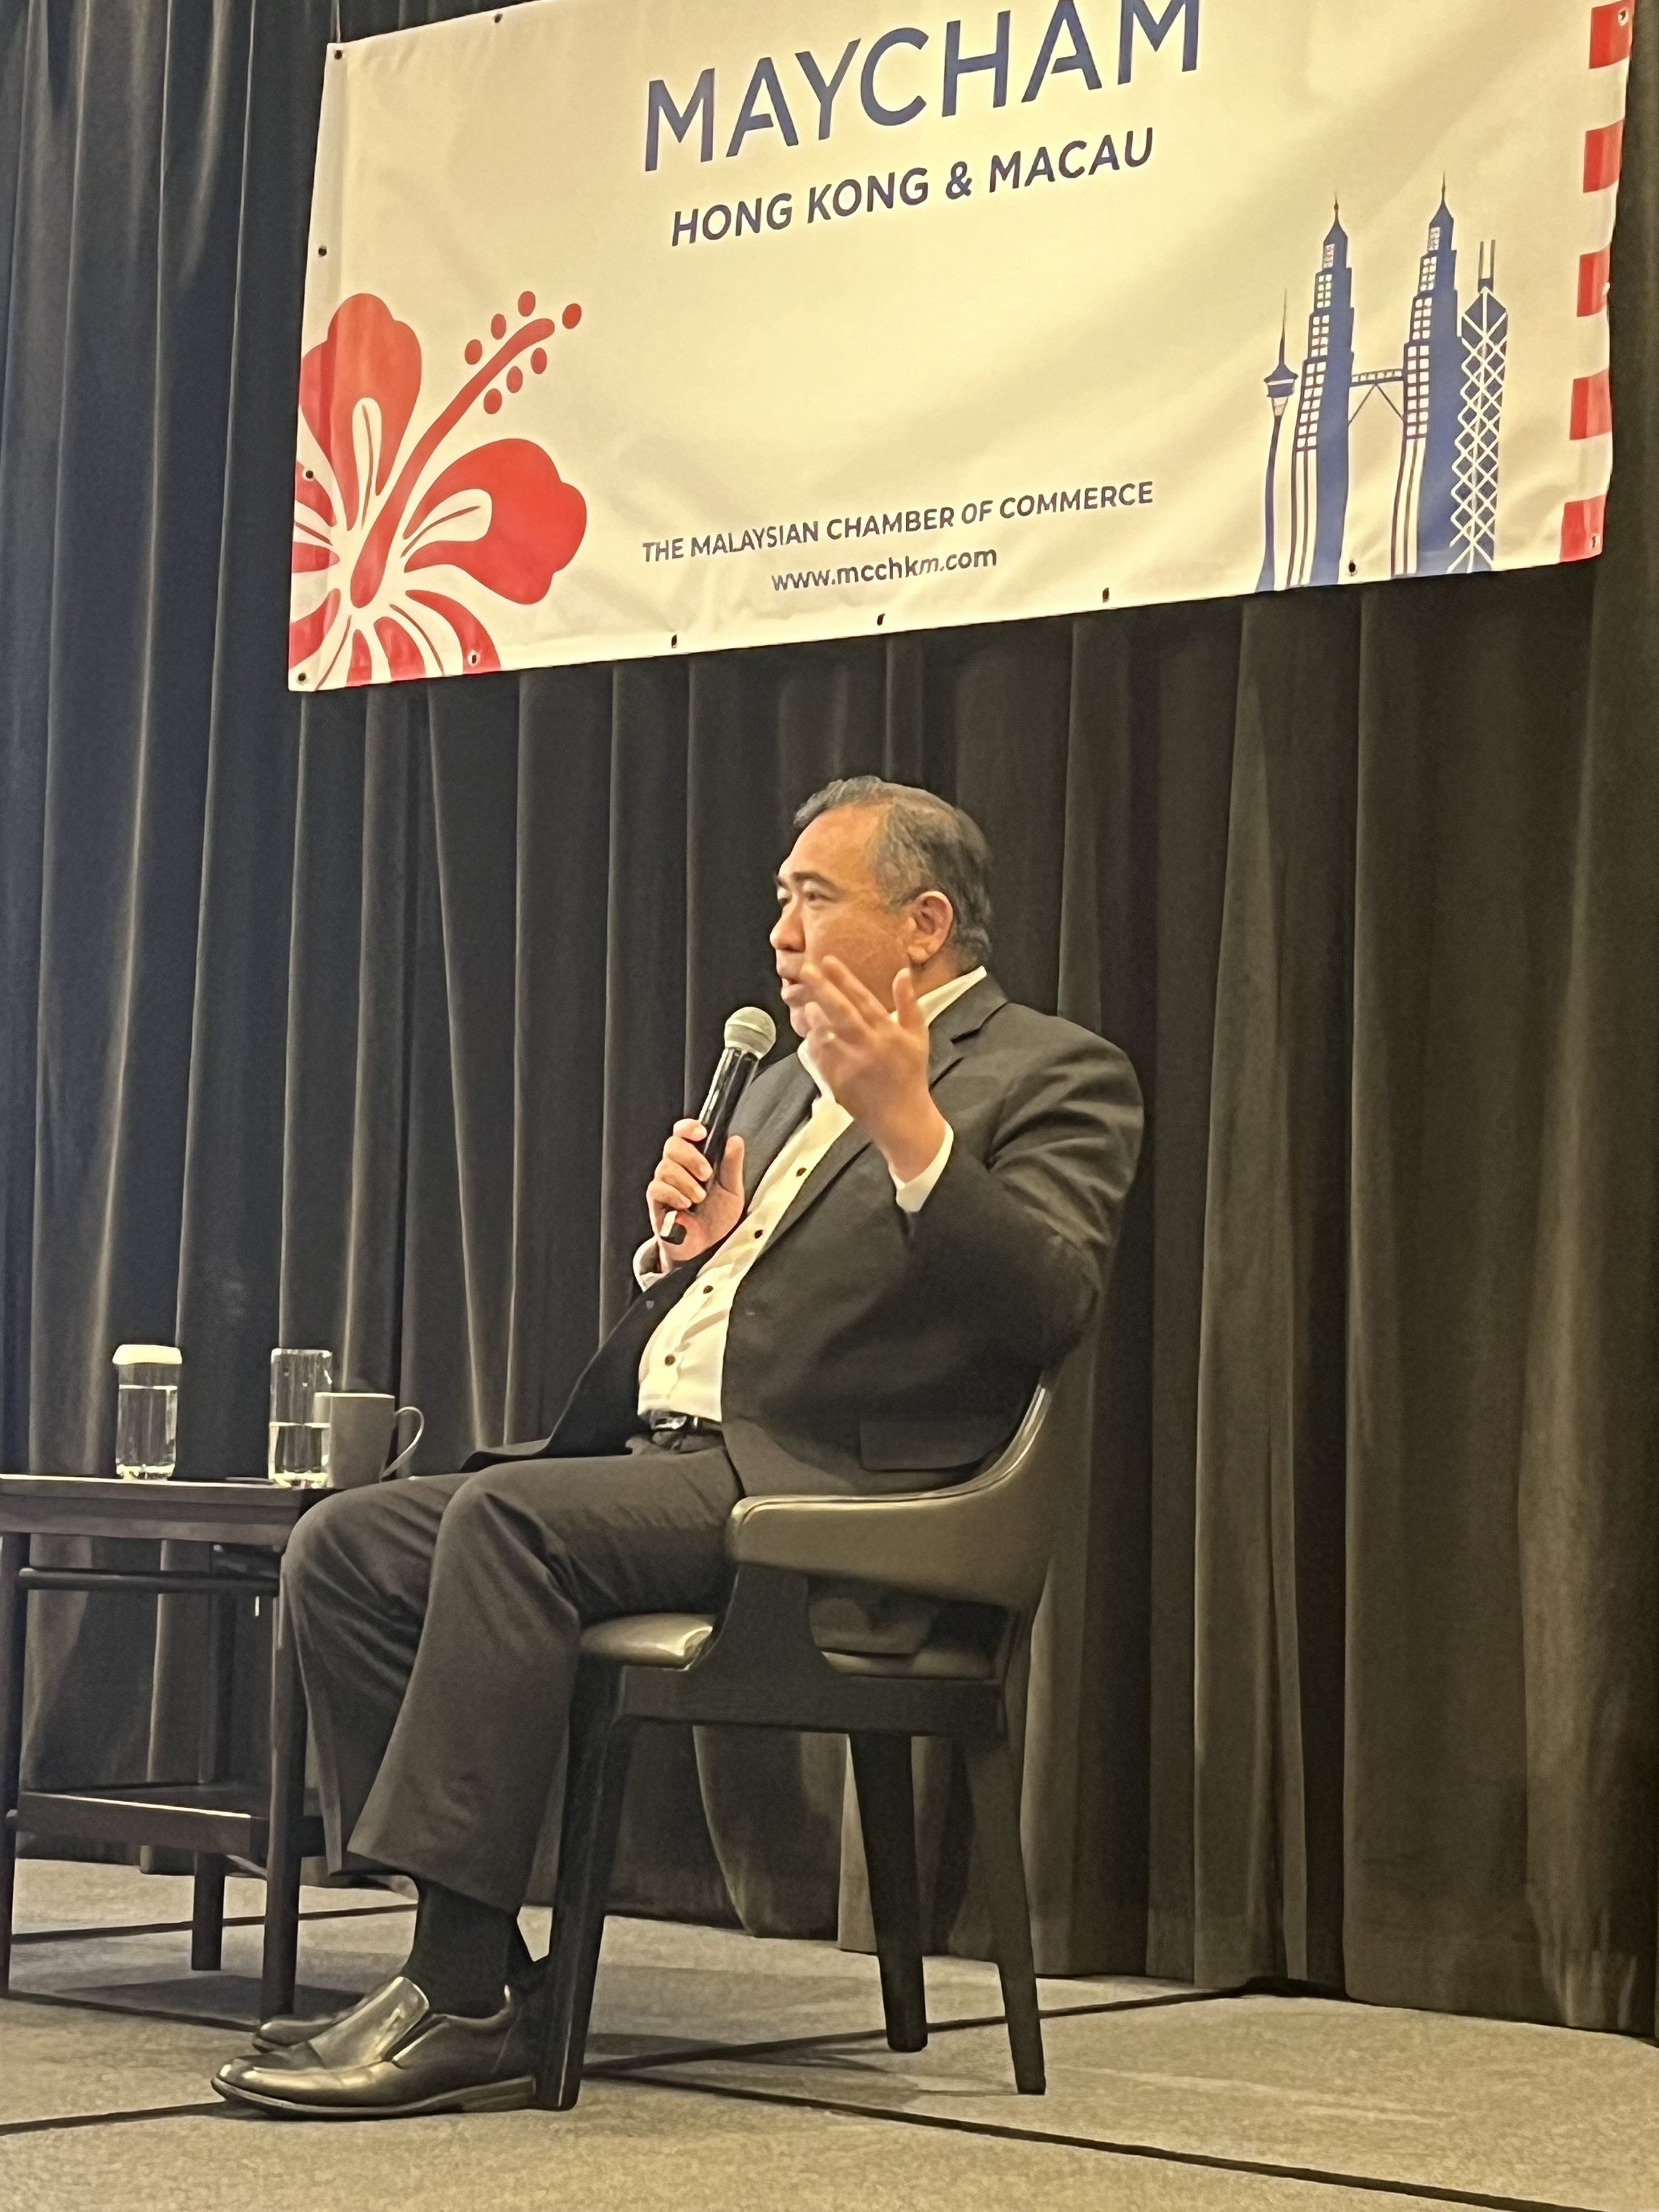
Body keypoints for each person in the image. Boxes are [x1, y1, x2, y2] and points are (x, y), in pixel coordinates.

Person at [212, 776, 1143, 2118]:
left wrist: (909, 1127)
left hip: (839, 1492)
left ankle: (460, 1997)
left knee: (510, 1522)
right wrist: (677, 1257)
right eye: (778, 898)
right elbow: (735, 1307)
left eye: (814, 897)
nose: (779, 929)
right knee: (345, 1543)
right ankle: (480, 1968)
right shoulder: (771, 1084)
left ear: (926, 922)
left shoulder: (1053, 1071)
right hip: (676, 1461)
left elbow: (1052, 1301)